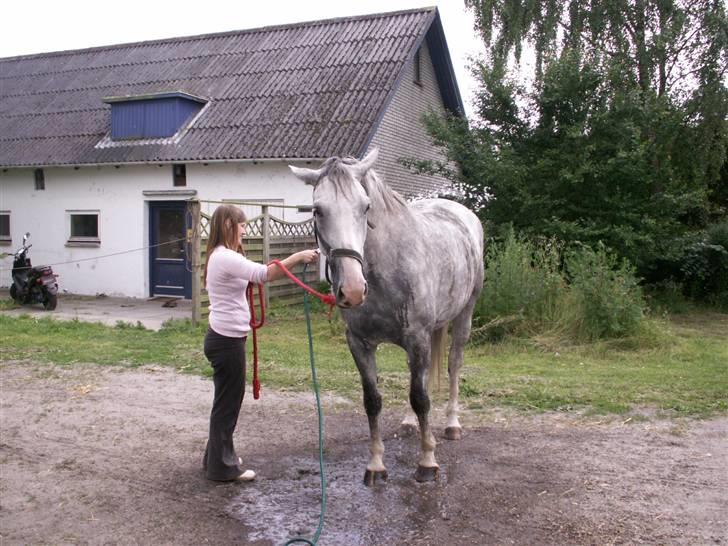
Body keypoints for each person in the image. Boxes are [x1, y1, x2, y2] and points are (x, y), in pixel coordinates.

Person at [202, 204, 319, 482]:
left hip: (225, 338)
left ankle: (216, 456)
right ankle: (222, 468)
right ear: (229, 224)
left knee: (224, 402)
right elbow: (264, 274)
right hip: (226, 341)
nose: (244, 230)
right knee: (227, 404)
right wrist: (298, 257)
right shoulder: (224, 257)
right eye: (241, 225)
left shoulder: (222, 256)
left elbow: (253, 274)